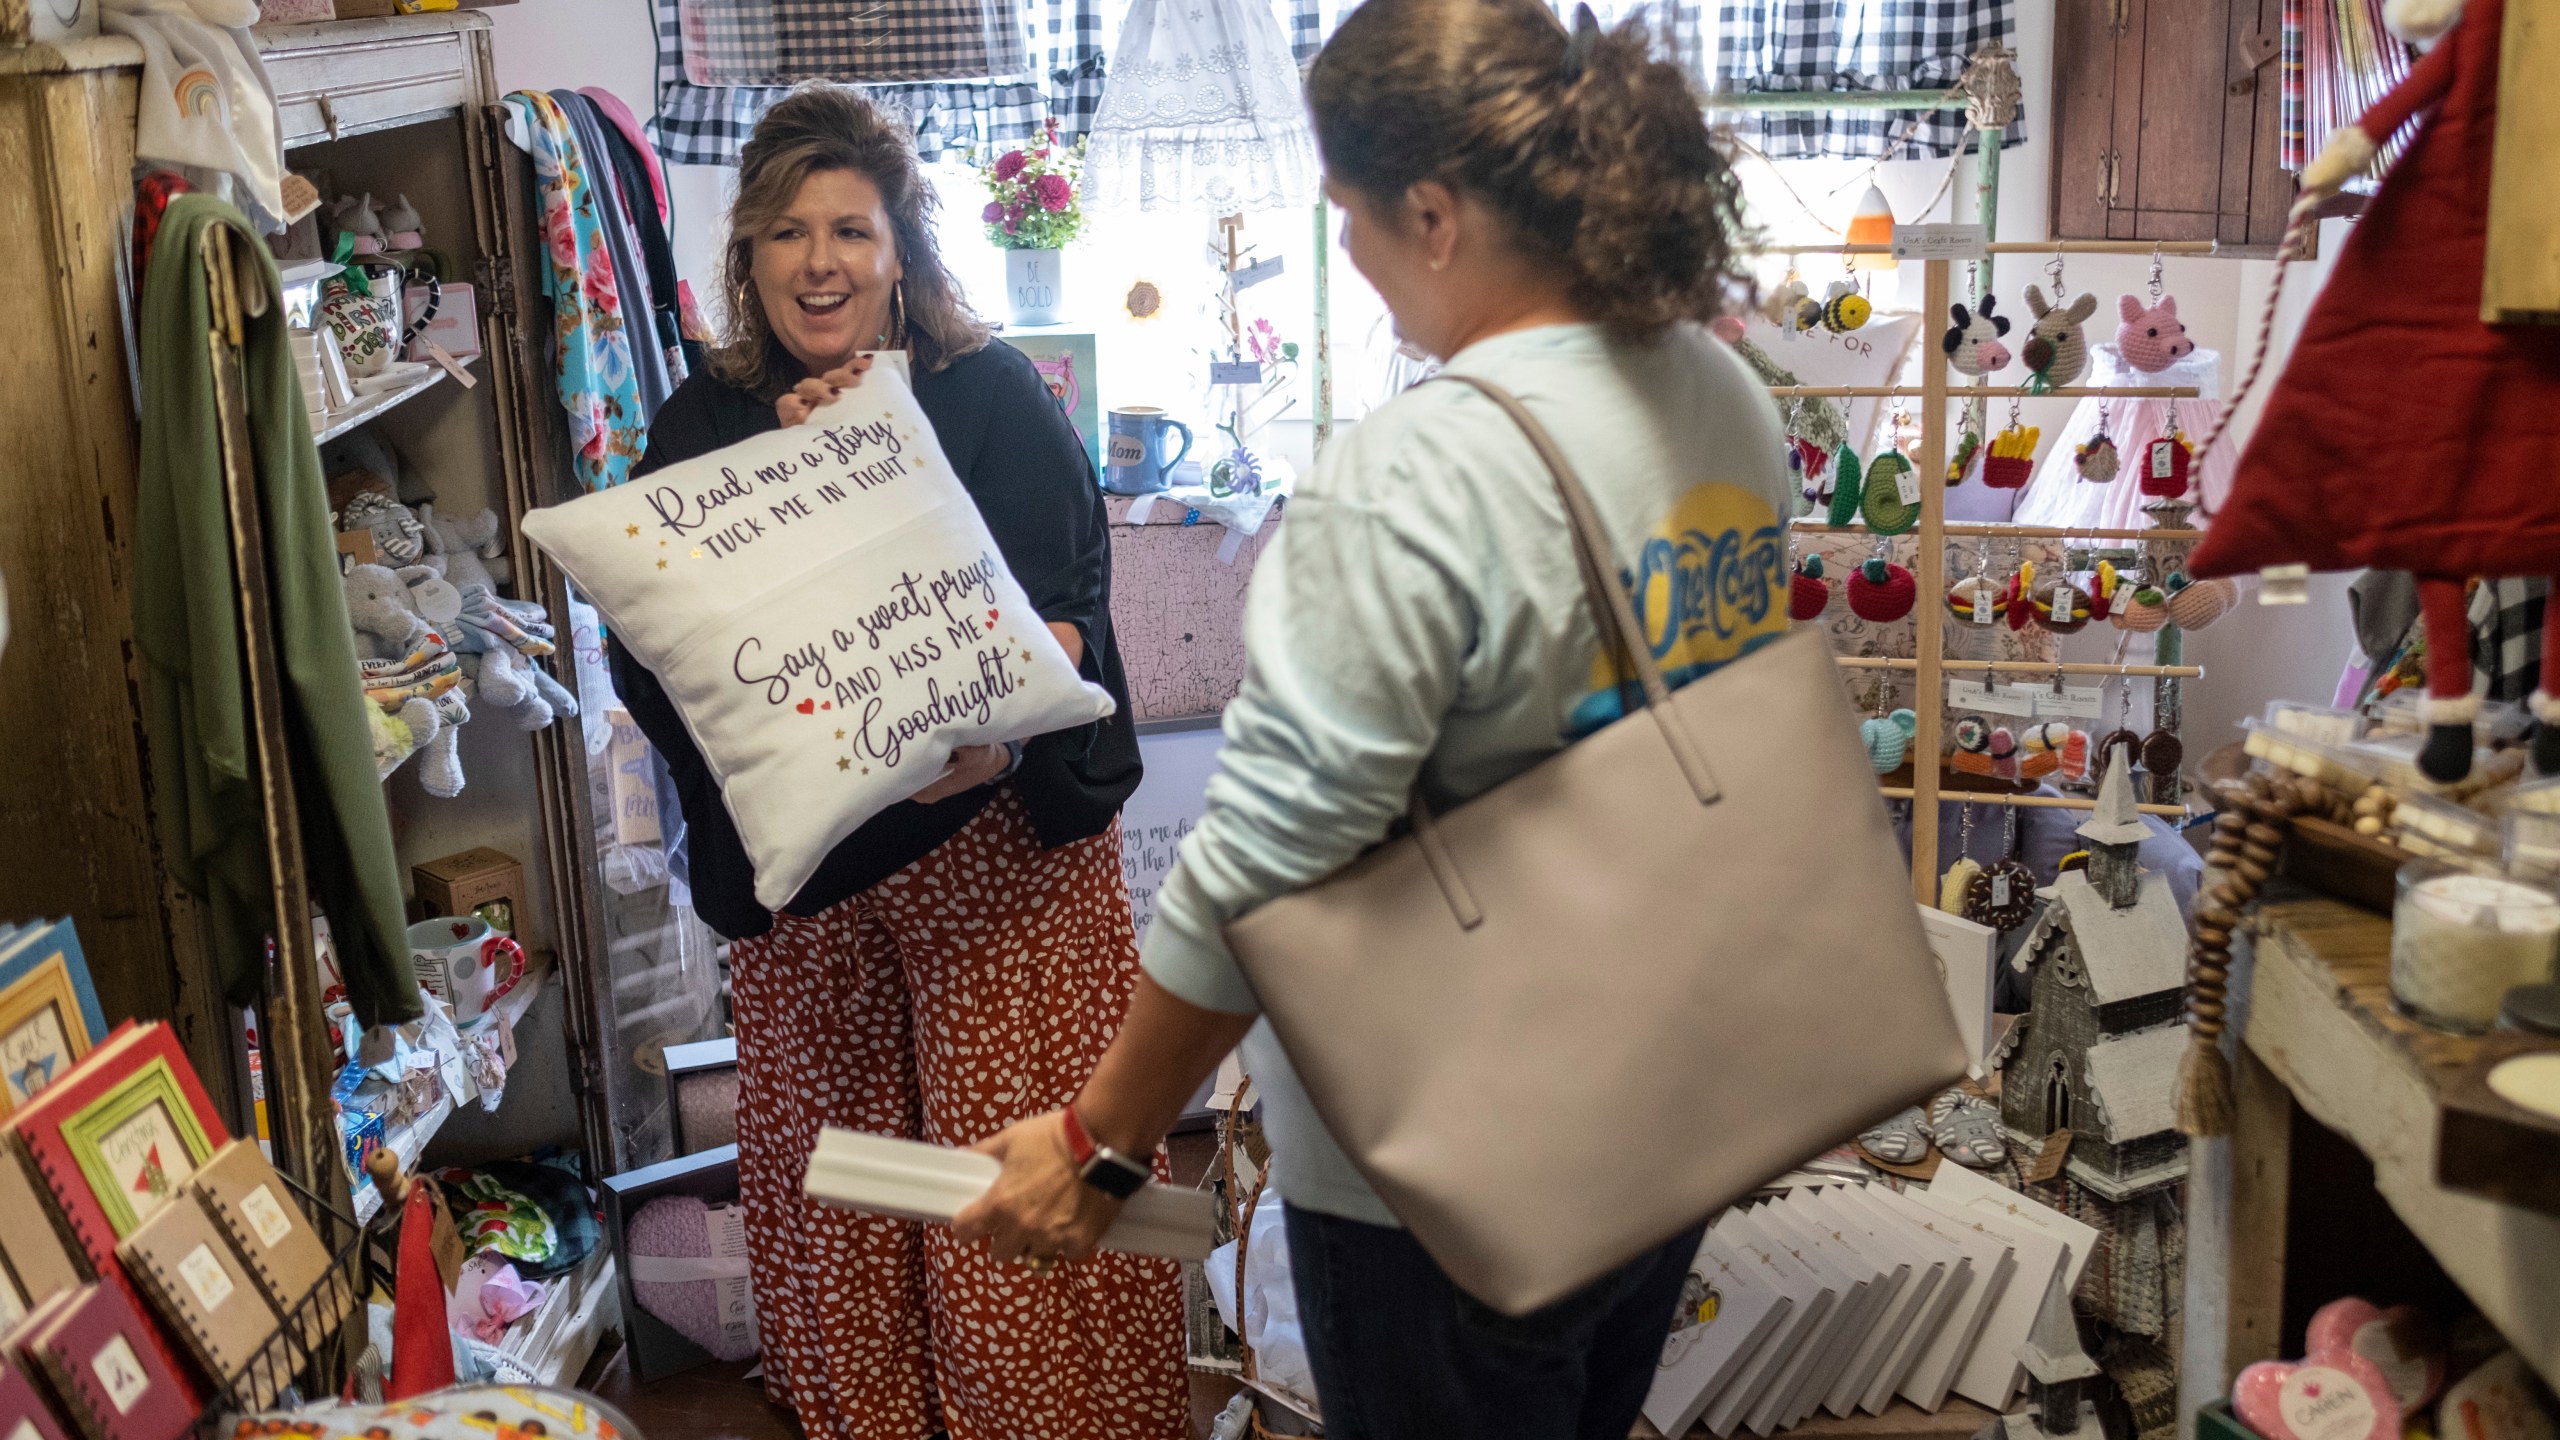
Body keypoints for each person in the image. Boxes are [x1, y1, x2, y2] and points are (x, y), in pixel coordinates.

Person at [956, 0, 1781, 1434]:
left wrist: (1104, 1139)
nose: (1345, 250)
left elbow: (1269, 863)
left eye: (1346, 212)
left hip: (1448, 1164)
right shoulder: (1720, 396)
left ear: (1438, 212)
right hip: (1667, 1101)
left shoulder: (1415, 469)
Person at [606, 85, 1187, 1440]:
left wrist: (989, 741)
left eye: (853, 231)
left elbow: (1066, 619)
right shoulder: (704, 427)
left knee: (1013, 1216)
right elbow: (660, 653)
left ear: (902, 248)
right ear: (746, 257)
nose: (823, 263)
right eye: (789, 233)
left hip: (999, 891)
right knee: (860, 1207)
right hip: (823, 903)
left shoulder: (988, 398)